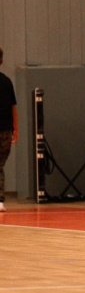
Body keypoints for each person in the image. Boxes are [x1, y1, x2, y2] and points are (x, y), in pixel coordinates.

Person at [0, 47, 18, 212]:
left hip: (5, 130)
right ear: (2, 61)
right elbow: (13, 108)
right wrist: (15, 130)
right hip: (6, 131)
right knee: (0, 165)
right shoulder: (7, 82)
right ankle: (0, 200)